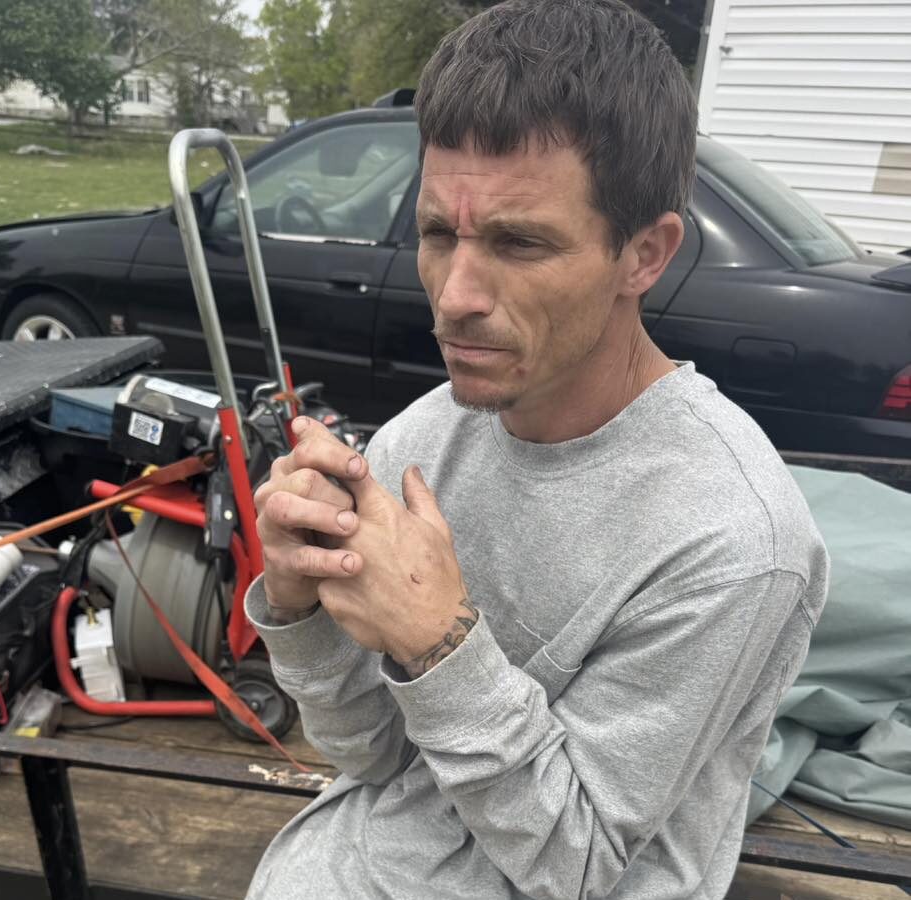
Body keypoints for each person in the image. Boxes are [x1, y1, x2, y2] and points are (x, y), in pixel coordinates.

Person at [244, 0, 829, 896]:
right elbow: (368, 755)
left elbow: (579, 867)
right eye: (439, 233)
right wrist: (299, 603)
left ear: (645, 254)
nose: (455, 296)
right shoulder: (424, 437)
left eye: (519, 242)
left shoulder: (733, 540)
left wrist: (441, 643)